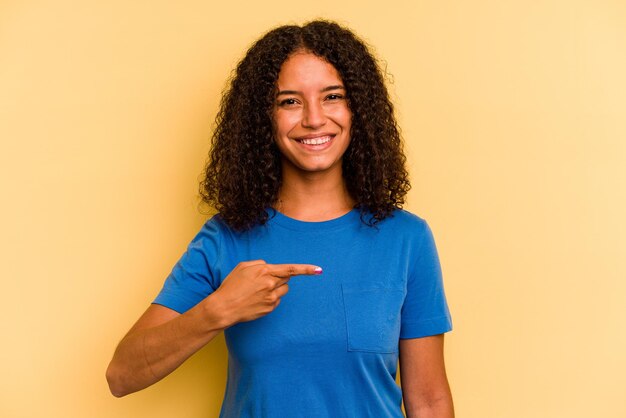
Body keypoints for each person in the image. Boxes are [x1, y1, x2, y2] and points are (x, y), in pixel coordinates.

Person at [106, 20, 454, 418]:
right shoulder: (226, 237)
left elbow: (428, 400)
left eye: (333, 97)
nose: (313, 119)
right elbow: (122, 375)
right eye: (289, 101)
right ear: (262, 119)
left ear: (359, 108)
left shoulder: (406, 238)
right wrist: (218, 310)